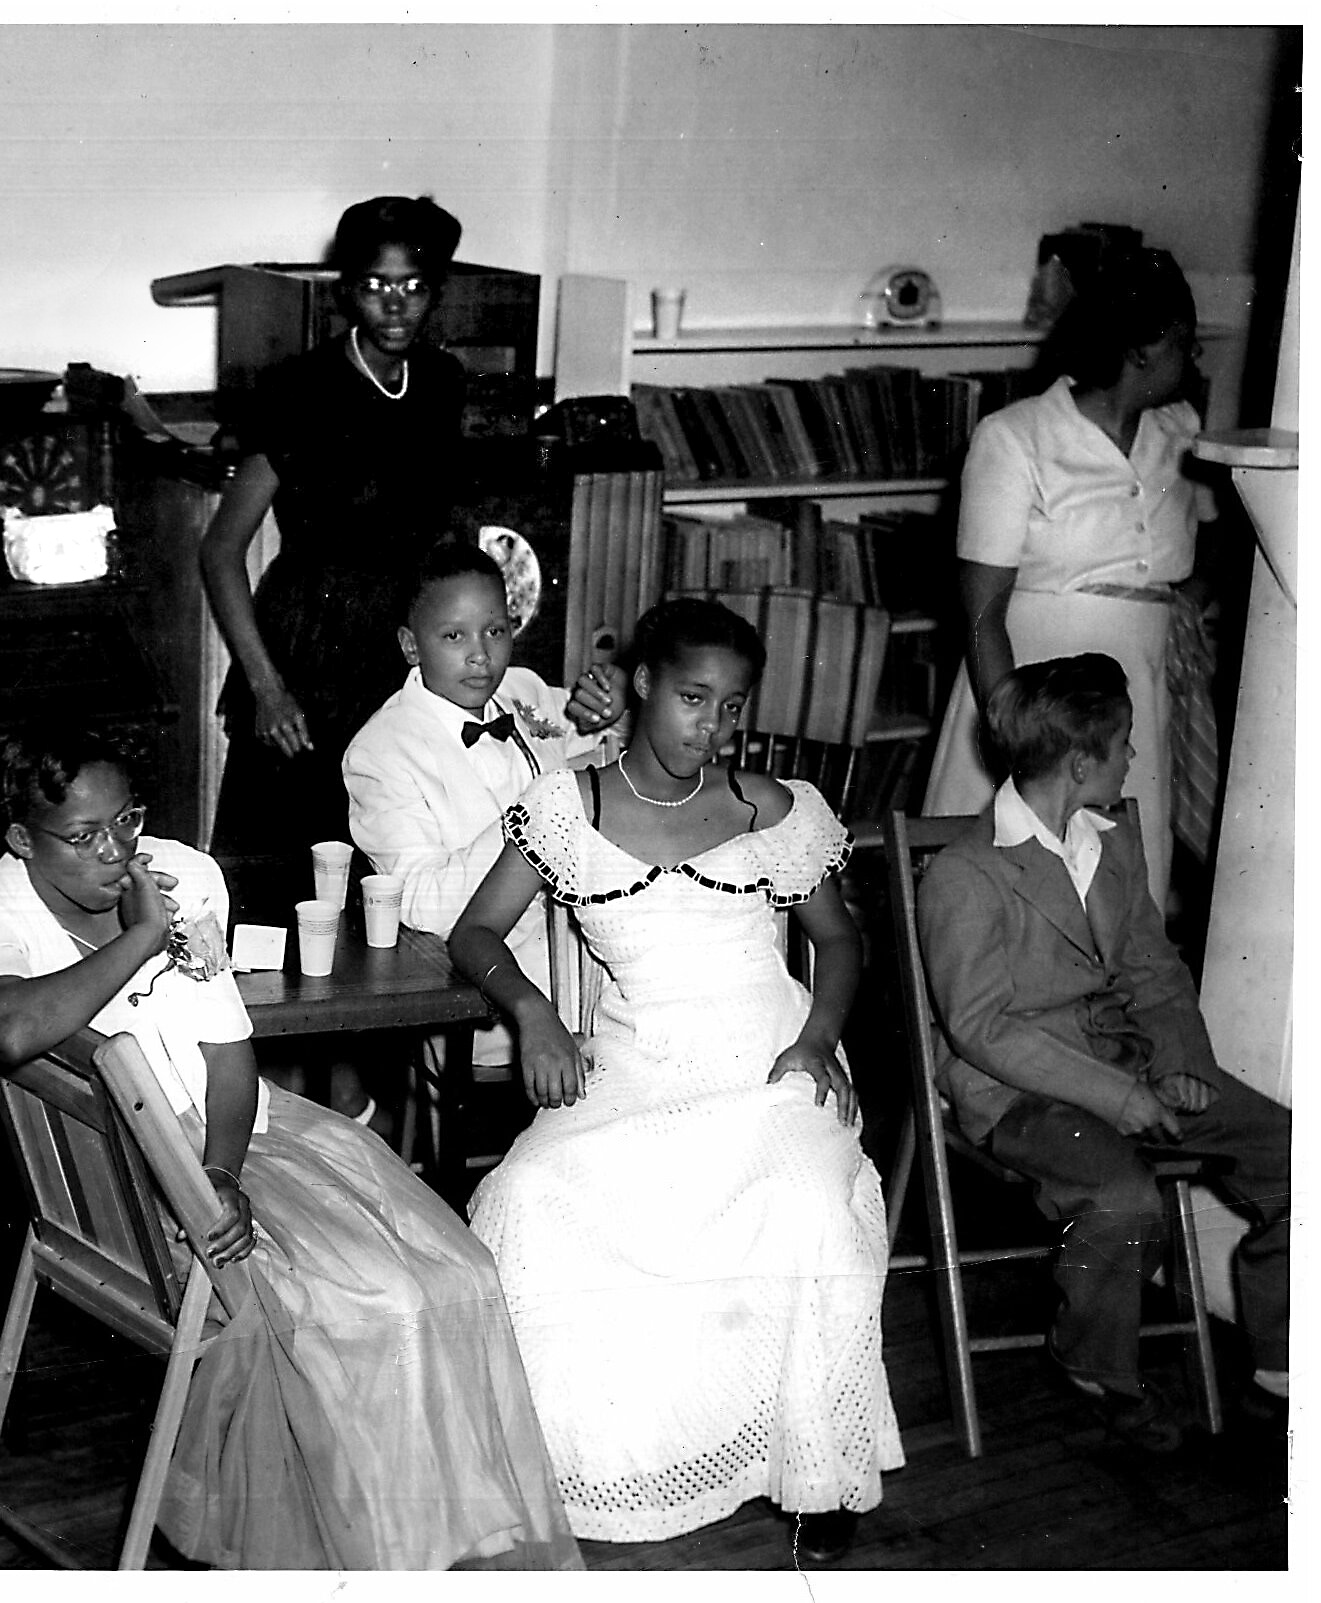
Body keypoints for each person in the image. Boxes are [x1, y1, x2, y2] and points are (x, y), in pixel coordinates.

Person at [0, 727, 580, 1572]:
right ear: (23, 838)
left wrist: (219, 1170)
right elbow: (8, 1028)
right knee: (374, 1301)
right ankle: (380, 1553)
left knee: (461, 1272)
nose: (116, 850)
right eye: (83, 835)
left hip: (230, 1142)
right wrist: (142, 937)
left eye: (126, 819)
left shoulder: (183, 873)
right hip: (127, 1187)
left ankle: (439, 1542)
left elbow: (229, 1055)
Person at [447, 598, 903, 1562]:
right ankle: (593, 1463)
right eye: (694, 698)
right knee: (529, 1194)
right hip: (639, 1062)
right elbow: (473, 931)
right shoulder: (566, 807)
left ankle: (816, 1470)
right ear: (644, 684)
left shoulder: (772, 808)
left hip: (768, 1056)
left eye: (732, 706)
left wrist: (818, 1038)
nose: (713, 726)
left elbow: (837, 941)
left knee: (807, 1199)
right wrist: (534, 1013)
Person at [916, 654, 1289, 1448]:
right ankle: (1095, 1366)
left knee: (1295, 1157)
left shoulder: (1111, 844)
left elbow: (1152, 967)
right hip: (1018, 1089)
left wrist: (1180, 1057)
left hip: (1131, 1064)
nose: (1132, 755)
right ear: (1081, 761)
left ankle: (1278, 1368)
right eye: (1123, 741)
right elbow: (981, 1027)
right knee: (1122, 1195)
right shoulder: (964, 872)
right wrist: (1118, 1098)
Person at [922, 248, 1218, 907]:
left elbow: (1208, 548)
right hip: (1033, 688)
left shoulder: (1182, 432)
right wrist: (1017, 736)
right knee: (1010, 894)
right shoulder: (1015, 437)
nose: (1192, 360)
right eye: (1183, 344)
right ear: (1140, 350)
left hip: (1137, 694)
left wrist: (1183, 606)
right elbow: (981, 612)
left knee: (1119, 893)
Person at [201, 193, 468, 861]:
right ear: (347, 291)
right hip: (306, 662)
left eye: (413, 286)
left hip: (399, 656)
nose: (395, 306)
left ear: (435, 293)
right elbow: (221, 550)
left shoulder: (441, 382)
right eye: (376, 286)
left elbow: (445, 528)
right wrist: (267, 688)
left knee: (388, 866)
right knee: (284, 871)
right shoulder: (300, 389)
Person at [343, 542, 624, 1069]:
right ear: (410, 645)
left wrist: (615, 700)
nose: (480, 655)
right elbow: (420, 906)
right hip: (489, 1004)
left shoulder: (522, 690)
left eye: (495, 631)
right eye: (454, 636)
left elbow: (613, 744)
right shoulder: (381, 751)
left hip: (594, 971)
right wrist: (537, 811)